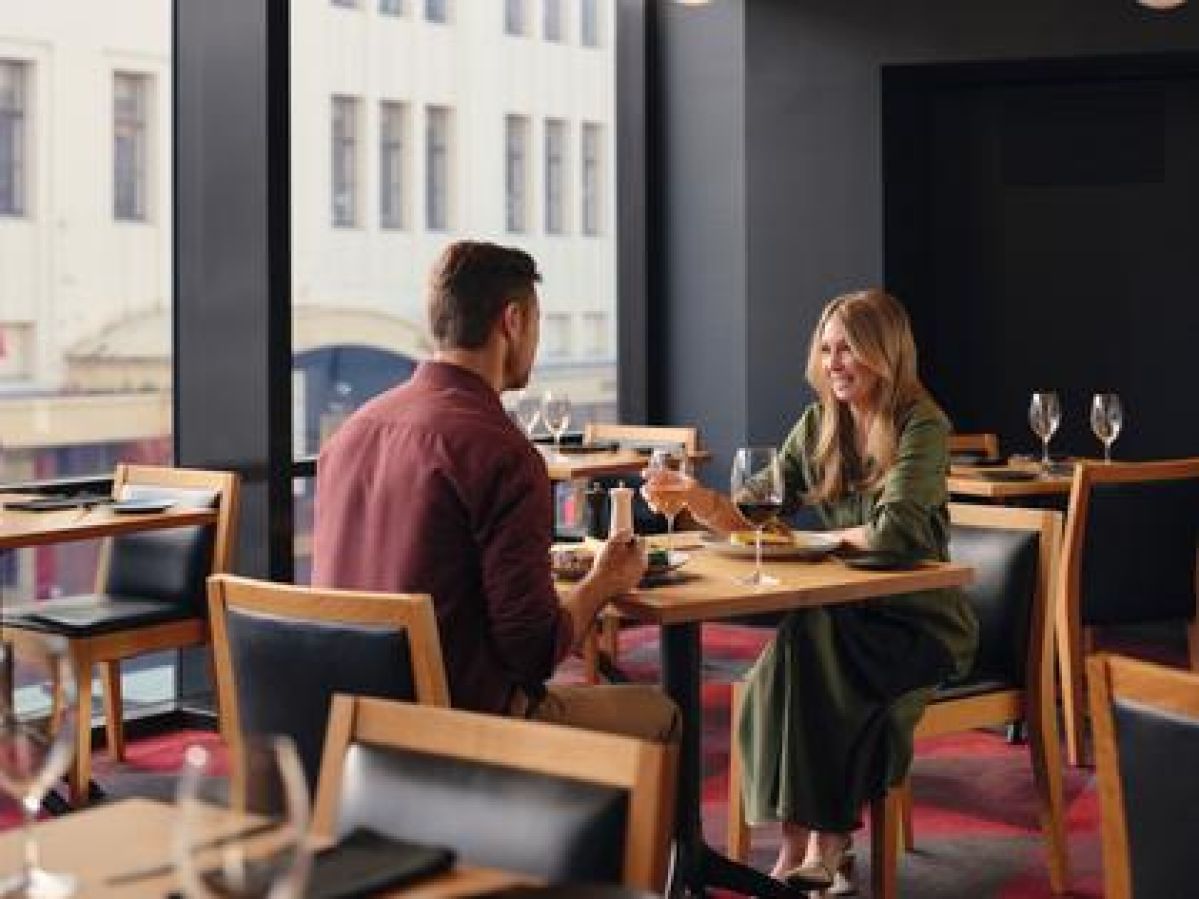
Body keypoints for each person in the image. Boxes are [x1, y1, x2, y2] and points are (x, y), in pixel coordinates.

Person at [644, 288, 977, 890]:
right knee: (792, 655)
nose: (834, 363)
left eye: (848, 349)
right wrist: (698, 500)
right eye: (826, 350)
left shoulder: (922, 424)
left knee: (803, 649)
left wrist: (823, 540)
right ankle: (802, 847)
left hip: (920, 625)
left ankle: (825, 843)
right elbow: (754, 510)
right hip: (843, 614)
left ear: (884, 351)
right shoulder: (821, 423)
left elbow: (897, 532)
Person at [313, 240, 679, 744]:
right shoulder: (501, 453)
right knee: (660, 715)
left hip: (351, 727)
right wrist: (604, 582)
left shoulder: (350, 434)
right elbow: (533, 653)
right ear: (513, 321)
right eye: (538, 324)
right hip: (461, 731)